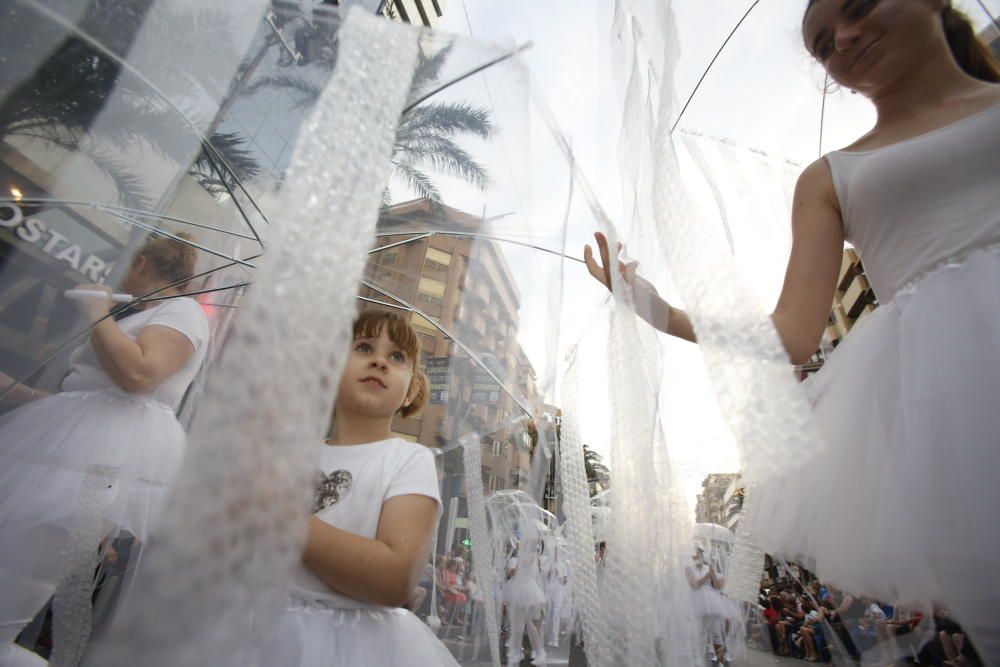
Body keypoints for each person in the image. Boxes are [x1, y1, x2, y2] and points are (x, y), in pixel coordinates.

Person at [584, 1, 1000, 659]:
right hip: (952, 412)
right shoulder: (831, 176)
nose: (844, 40)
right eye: (822, 45)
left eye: (858, 9)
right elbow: (790, 339)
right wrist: (658, 309)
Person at [0, 233, 208, 665]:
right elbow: (90, 397)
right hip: (68, 447)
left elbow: (140, 376)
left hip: (91, 462)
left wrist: (98, 313)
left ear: (143, 263)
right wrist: (17, 391)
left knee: (17, 576)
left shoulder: (183, 311)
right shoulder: (144, 314)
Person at [258, 309, 459, 666]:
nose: (380, 361)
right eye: (364, 348)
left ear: (411, 390)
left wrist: (286, 519)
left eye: (396, 357)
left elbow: (394, 579)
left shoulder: (409, 459)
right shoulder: (289, 458)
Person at [504, 536, 547, 666]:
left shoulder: (532, 554)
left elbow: (524, 564)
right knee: (519, 622)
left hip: (527, 589)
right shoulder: (524, 555)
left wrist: (520, 554)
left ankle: (539, 652)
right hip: (521, 587)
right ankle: (518, 651)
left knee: (527, 622)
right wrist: (512, 571)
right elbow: (517, 572)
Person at [686, 548, 729, 663]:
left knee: (716, 632)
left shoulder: (709, 567)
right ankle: (697, 660)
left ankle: (720, 661)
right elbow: (693, 585)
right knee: (698, 631)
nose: (696, 557)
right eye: (694, 555)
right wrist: (705, 577)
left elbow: (718, 586)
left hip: (712, 602)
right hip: (697, 602)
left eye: (698, 554)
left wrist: (713, 573)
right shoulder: (689, 569)